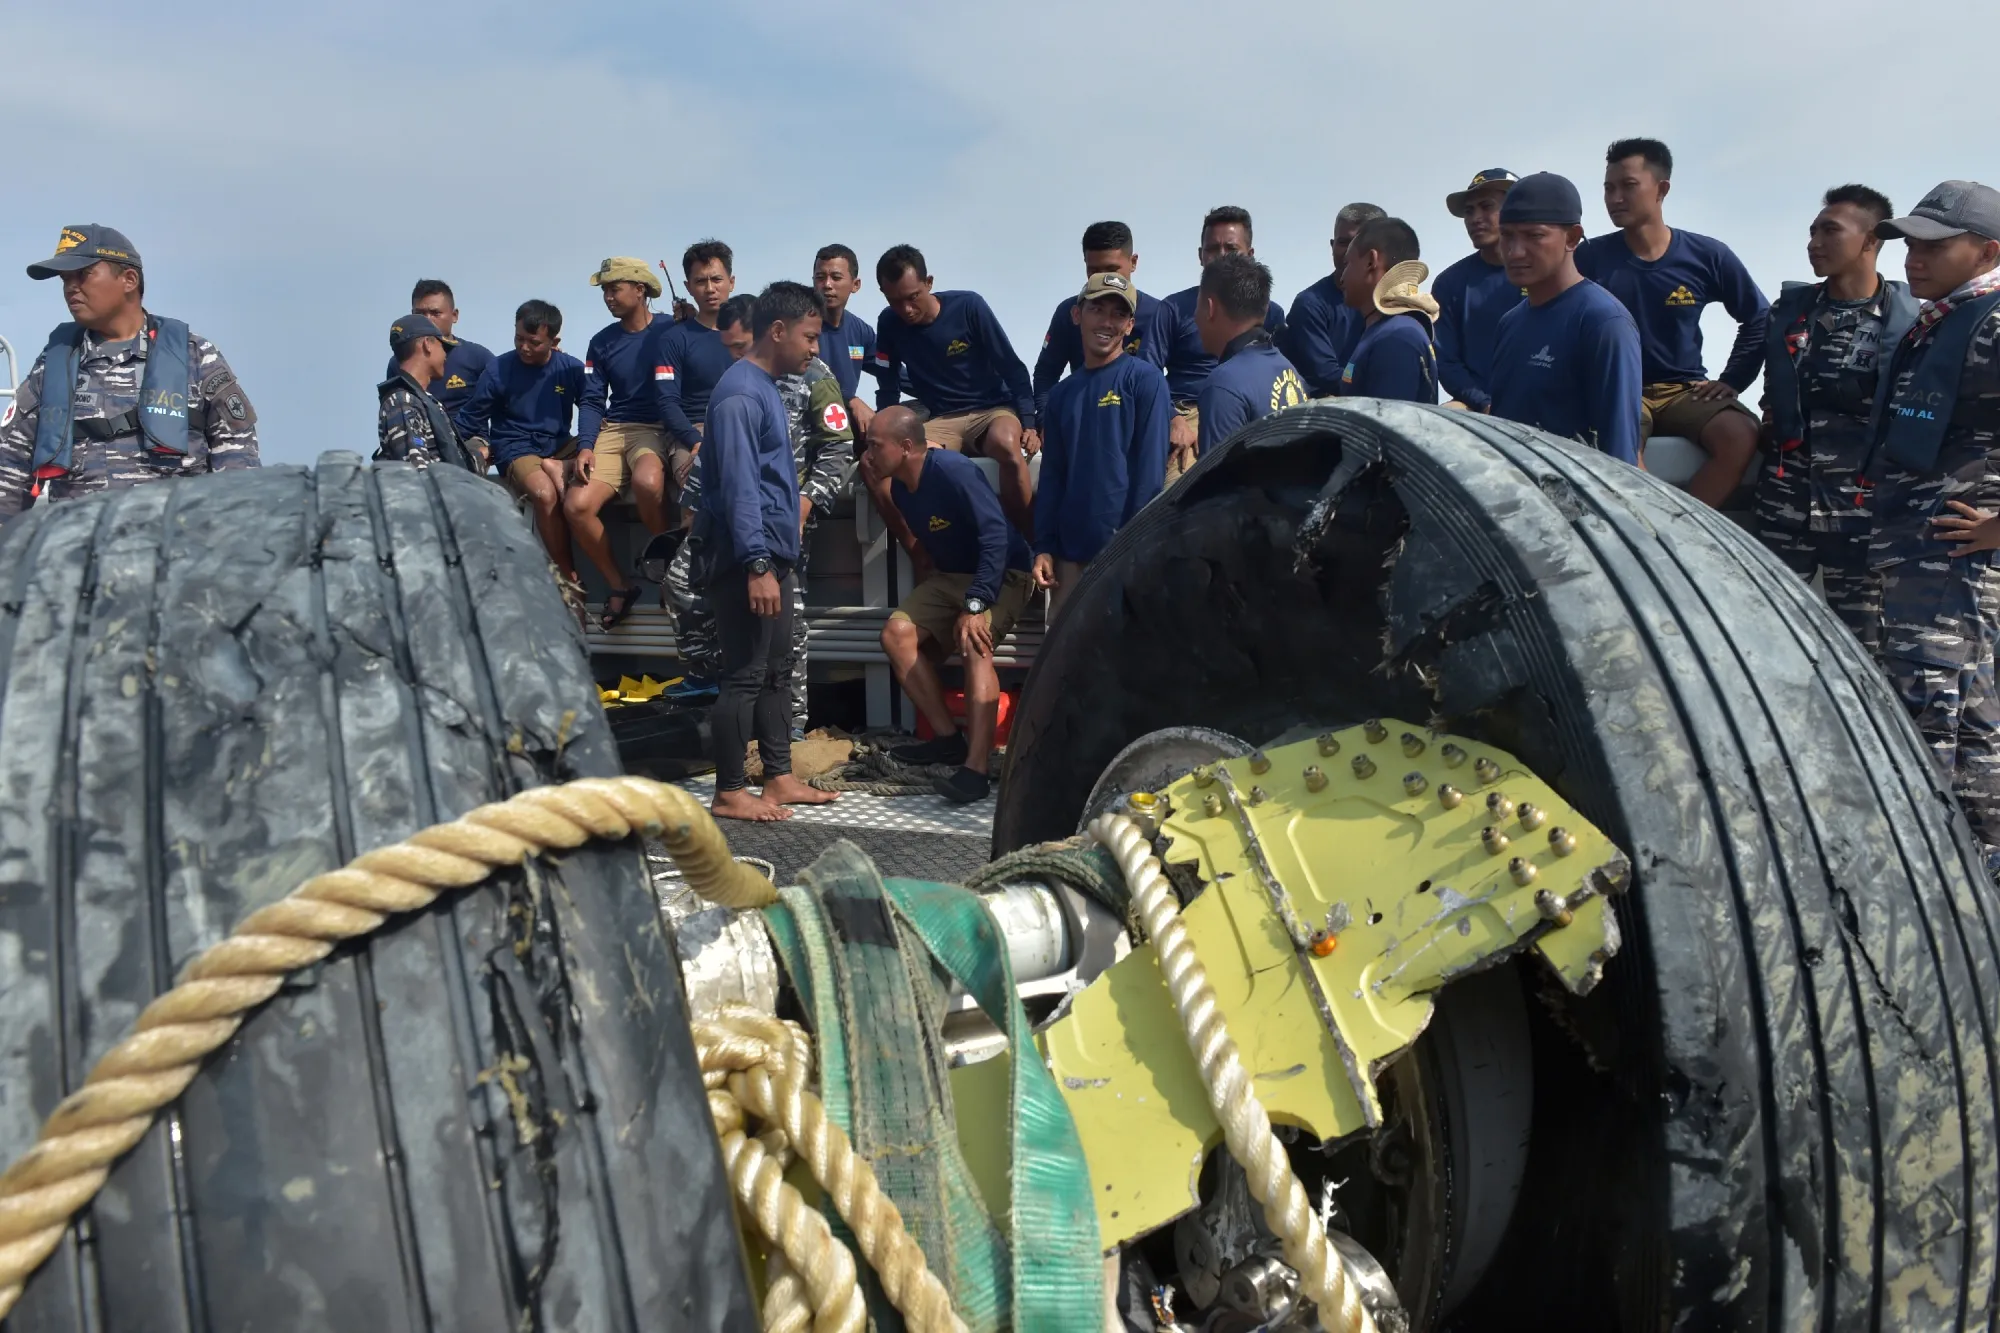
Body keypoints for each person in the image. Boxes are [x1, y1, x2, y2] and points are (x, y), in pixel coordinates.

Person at [1858, 181, 2000, 869]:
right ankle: (1973, 875)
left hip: (1956, 568)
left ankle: (1933, 880)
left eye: (1936, 246)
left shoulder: (1993, 322)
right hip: (1918, 563)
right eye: (1911, 242)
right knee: (1967, 723)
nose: (1915, 257)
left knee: (1935, 714)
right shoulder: (1943, 318)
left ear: (1988, 251)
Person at [696, 281, 841, 821]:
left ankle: (778, 778)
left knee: (779, 669)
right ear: (777, 331)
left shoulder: (769, 387)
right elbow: (738, 489)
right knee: (745, 674)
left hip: (774, 558)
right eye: (808, 337)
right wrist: (757, 564)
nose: (814, 349)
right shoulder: (739, 394)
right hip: (744, 561)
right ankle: (730, 791)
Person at [1752, 185, 1917, 651]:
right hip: (1785, 499)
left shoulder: (1909, 323)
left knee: (1864, 645)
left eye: (1830, 231)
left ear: (1871, 241)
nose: (1814, 243)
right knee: (1765, 631)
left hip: (1862, 510)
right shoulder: (1790, 312)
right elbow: (1773, 389)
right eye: (1812, 231)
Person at [0, 224, 258, 520]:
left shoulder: (195, 356)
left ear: (129, 280)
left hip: (174, 551)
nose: (71, 287)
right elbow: (9, 467)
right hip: (79, 554)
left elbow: (239, 466)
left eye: (83, 274)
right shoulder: (54, 365)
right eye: (65, 279)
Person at [1577, 138, 1770, 507]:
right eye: (1608, 188)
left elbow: (1758, 316)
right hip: (1621, 388)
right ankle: (1650, 533)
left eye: (1628, 186)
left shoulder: (1706, 254)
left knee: (1741, 434)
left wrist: (1733, 380)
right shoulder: (1590, 257)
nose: (1615, 197)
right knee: (1619, 450)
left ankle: (1686, 533)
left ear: (1661, 189)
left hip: (1684, 390)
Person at [867, 405, 1037, 804]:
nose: (869, 455)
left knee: (972, 639)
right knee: (896, 634)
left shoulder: (953, 471)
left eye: (876, 446)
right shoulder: (900, 490)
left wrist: (977, 602)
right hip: (950, 578)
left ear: (906, 447)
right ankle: (947, 741)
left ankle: (975, 771)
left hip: (1005, 571)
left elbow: (995, 535)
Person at [1031, 273, 1172, 618]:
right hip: (1069, 561)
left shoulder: (1146, 380)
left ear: (1129, 325)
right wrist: (1045, 547)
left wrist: (1131, 548)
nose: (1107, 322)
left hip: (1126, 558)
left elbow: (1150, 478)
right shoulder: (1062, 395)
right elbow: (1052, 477)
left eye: (1118, 314)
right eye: (1098, 309)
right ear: (1078, 315)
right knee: (1065, 667)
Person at [872, 244, 1039, 534]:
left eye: (913, 297)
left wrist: (1029, 422)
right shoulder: (889, 323)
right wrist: (881, 432)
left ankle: (1029, 546)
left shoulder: (969, 307)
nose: (906, 310)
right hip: (942, 418)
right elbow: (888, 386)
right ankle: (935, 554)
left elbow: (1012, 367)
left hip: (992, 409)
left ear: (929, 283)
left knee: (1008, 449)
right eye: (895, 301)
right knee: (905, 463)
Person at [1487, 173, 1644, 466]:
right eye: (1507, 235)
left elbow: (1621, 458)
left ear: (1572, 238)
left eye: (1534, 236)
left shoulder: (1603, 322)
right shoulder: (1509, 323)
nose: (1515, 251)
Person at [453, 299, 588, 581]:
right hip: (516, 447)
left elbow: (593, 407)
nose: (524, 347)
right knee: (544, 494)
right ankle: (568, 578)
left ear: (554, 341)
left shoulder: (571, 369)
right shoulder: (498, 370)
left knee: (600, 471)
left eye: (534, 342)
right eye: (519, 339)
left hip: (560, 446)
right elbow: (471, 417)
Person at [564, 256, 666, 627]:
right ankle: (620, 585)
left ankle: (669, 570)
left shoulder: (672, 330)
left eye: (614, 288)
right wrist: (587, 444)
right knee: (576, 505)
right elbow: (592, 399)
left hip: (656, 428)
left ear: (640, 290)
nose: (607, 297)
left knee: (648, 483)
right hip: (614, 429)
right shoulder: (601, 342)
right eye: (604, 290)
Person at [664, 294, 759, 689]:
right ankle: (705, 676)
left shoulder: (801, 378)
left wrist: (805, 506)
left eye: (740, 347)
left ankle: (790, 718)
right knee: (680, 582)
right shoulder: (731, 383)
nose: (735, 357)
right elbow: (713, 447)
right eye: (729, 349)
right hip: (720, 511)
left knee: (776, 616)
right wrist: (693, 508)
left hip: (769, 519)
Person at [1161, 206, 1287, 475]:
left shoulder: (1272, 312)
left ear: (1250, 255)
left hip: (1254, 412)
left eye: (1231, 249)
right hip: (1187, 417)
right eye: (1212, 249)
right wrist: (1174, 418)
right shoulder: (1173, 308)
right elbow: (1148, 373)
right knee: (1179, 499)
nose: (1220, 258)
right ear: (1200, 255)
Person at [777, 349, 858, 736]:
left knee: (787, 620)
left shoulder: (814, 376)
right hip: (737, 521)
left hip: (787, 521)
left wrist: (806, 504)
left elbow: (838, 447)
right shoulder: (740, 376)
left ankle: (790, 728)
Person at [1032, 221, 1174, 424]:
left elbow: (1180, 375)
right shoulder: (1067, 312)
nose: (1104, 279)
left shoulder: (1159, 314)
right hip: (1085, 418)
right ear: (1077, 316)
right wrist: (1046, 420)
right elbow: (1046, 374)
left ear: (1133, 262)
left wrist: (1173, 417)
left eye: (1112, 270)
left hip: (1142, 420)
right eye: (1094, 271)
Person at [653, 240, 740, 530]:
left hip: (742, 427)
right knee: (698, 490)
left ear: (732, 281)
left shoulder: (754, 335)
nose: (710, 288)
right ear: (688, 287)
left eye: (717, 279)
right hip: (691, 433)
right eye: (700, 281)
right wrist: (695, 441)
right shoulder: (673, 339)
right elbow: (667, 402)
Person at [1194, 254, 1308, 456]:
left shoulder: (1223, 386)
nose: (1195, 317)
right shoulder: (1290, 372)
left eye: (1197, 305)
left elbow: (1218, 483)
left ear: (1210, 309)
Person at [1434, 168, 1523, 410]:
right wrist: (1484, 404)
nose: (1475, 218)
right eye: (1469, 211)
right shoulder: (1450, 284)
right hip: (1481, 410)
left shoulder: (1548, 273)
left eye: (1486, 206)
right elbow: (1447, 362)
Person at [1281, 202, 1385, 398]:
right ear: (1332, 245)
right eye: (1342, 242)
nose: (1347, 252)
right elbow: (1328, 376)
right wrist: (1381, 377)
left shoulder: (1399, 304)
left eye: (1357, 243)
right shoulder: (1310, 305)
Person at [1338, 217, 1440, 402]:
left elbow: (1387, 427)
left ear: (1371, 261)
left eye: (1348, 264)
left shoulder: (1397, 337)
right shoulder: (1388, 329)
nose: (1342, 277)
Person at [382, 279, 494, 424]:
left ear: (454, 315)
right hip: (421, 436)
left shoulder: (477, 357)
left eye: (435, 313)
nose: (428, 320)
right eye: (420, 314)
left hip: (469, 441)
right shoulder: (400, 362)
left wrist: (495, 444)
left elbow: (507, 398)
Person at [377, 313, 470, 468]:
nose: (445, 355)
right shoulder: (403, 401)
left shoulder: (423, 400)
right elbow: (416, 471)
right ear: (427, 344)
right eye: (443, 346)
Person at [812, 244, 882, 433]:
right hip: (809, 421)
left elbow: (889, 370)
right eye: (820, 278)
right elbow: (805, 383)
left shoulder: (860, 331)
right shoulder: (802, 327)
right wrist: (851, 400)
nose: (827, 285)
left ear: (855, 285)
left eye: (836, 277)